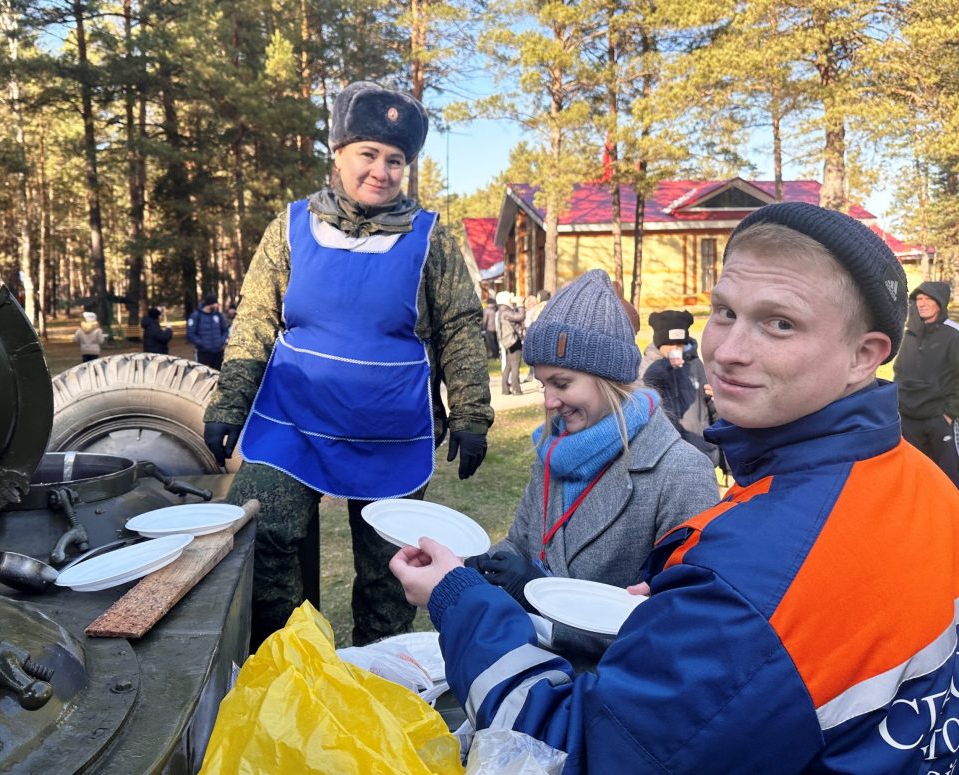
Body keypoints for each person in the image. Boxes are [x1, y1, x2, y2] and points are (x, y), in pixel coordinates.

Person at [392, 202, 959, 772]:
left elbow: (577, 749)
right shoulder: (921, 487)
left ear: (864, 356)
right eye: (725, 311)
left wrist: (457, 597)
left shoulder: (743, 554)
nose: (728, 351)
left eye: (780, 323)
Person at [201, 81, 493, 651]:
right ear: (337, 153)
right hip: (294, 424)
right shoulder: (289, 228)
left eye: (396, 160)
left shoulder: (430, 239)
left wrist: (472, 414)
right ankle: (290, 660)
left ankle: (378, 675)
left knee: (391, 568)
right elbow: (257, 319)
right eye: (368, 154)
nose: (381, 170)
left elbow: (460, 324)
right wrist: (228, 401)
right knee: (257, 532)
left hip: (390, 433)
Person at [463, 270, 719, 662]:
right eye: (542, 384)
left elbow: (675, 631)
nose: (549, 402)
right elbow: (520, 543)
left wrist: (539, 595)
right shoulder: (554, 450)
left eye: (562, 384)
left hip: (611, 696)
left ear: (611, 379)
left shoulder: (680, 473)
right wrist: (468, 573)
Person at [893, 281, 959, 486]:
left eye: (928, 298)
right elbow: (899, 373)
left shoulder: (953, 334)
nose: (922, 303)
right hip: (909, 418)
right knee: (915, 476)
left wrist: (949, 413)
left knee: (948, 478)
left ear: (940, 301)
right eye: (919, 299)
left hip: (939, 419)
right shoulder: (909, 334)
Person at [642, 309, 721, 466]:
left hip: (700, 452)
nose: (675, 349)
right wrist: (661, 370)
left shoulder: (695, 366)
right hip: (664, 457)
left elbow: (712, 408)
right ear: (658, 344)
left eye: (680, 344)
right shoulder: (647, 368)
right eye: (670, 345)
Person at [187, 293, 229, 369]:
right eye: (216, 303)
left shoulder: (218, 315)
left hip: (218, 352)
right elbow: (191, 334)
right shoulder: (196, 316)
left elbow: (225, 330)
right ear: (210, 304)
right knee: (203, 376)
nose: (217, 305)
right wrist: (202, 344)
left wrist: (221, 342)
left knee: (218, 376)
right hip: (203, 353)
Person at [497, 291, 525, 395]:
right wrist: (521, 305)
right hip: (513, 341)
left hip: (508, 341)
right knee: (515, 365)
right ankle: (516, 389)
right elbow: (520, 317)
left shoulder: (501, 310)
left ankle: (505, 389)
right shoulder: (506, 311)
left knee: (509, 365)